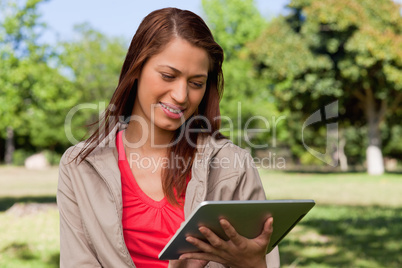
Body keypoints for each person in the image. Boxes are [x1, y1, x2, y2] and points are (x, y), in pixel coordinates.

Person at [57, 7, 280, 268]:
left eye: (196, 83)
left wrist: (253, 265)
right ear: (137, 68)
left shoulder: (234, 165)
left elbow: (264, 261)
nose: (181, 95)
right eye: (168, 76)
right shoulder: (80, 165)